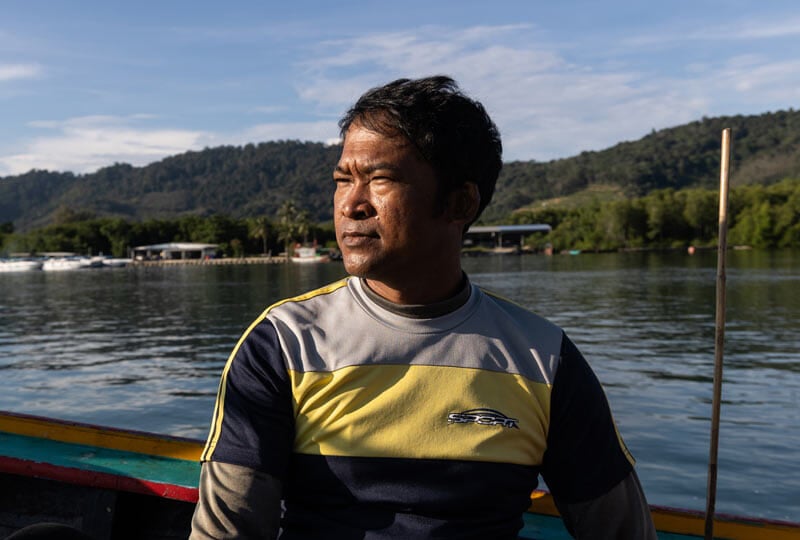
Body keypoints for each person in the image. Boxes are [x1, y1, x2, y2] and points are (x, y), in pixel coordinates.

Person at [190, 75, 656, 539]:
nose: (351, 204)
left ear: (459, 202)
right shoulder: (286, 344)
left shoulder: (543, 359)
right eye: (342, 180)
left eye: (381, 180)